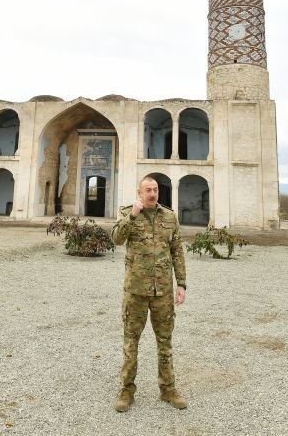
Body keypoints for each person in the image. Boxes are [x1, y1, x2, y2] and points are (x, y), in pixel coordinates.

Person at [111, 176, 187, 412]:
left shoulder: (169, 217)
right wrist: (132, 216)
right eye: (148, 190)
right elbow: (116, 239)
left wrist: (181, 284)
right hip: (136, 291)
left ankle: (168, 389)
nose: (153, 194)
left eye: (155, 190)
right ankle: (126, 390)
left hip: (162, 291)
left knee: (165, 342)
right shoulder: (127, 214)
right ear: (139, 192)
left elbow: (177, 251)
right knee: (131, 342)